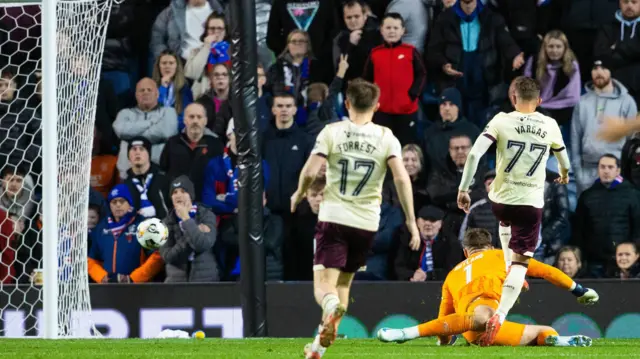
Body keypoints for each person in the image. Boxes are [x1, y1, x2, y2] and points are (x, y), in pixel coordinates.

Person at [290, 79, 420, 359]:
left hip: (334, 217)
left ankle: (329, 307)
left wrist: (299, 193)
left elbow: (311, 170)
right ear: (377, 105)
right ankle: (318, 349)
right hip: (367, 222)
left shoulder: (332, 132)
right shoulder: (387, 137)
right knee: (344, 284)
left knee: (323, 287)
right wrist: (411, 220)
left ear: (346, 103)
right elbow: (400, 177)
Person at [456, 76, 571, 346]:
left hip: (501, 201)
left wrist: (464, 189)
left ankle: (508, 268)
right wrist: (564, 175)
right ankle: (501, 314)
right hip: (531, 203)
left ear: (513, 98)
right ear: (540, 101)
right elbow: (563, 159)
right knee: (523, 263)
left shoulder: (501, 120)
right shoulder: (550, 124)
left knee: (506, 223)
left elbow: (473, 155)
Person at [377, 228, 599, 347]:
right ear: (490, 246)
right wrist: (578, 290)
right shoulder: (502, 255)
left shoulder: (453, 273)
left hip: (476, 334)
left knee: (544, 332)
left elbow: (444, 316)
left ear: (466, 252)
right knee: (484, 314)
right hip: (485, 315)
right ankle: (405, 333)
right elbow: (547, 271)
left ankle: (556, 341)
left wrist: (444, 341)